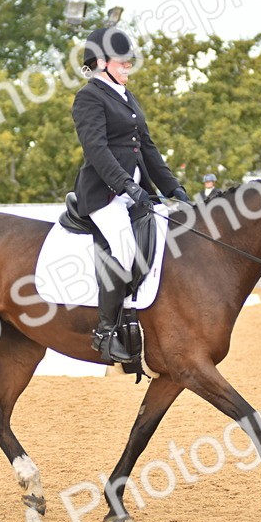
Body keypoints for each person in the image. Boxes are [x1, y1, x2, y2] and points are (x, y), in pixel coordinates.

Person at [72, 26, 190, 363]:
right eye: (122, 63)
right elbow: (96, 149)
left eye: (128, 63)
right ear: (101, 63)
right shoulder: (89, 97)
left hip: (136, 194)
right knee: (125, 251)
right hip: (105, 196)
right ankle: (105, 332)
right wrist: (126, 185)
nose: (128, 68)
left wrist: (174, 188)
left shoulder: (127, 96)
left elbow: (147, 149)